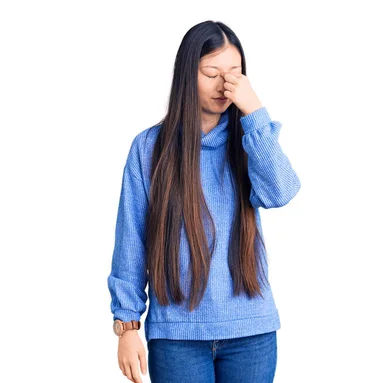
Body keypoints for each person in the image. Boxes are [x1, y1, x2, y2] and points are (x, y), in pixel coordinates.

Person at [107, 20, 301, 383]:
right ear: (187, 74)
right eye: (211, 72)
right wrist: (127, 324)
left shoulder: (250, 142)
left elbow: (282, 192)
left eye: (235, 74)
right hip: (177, 338)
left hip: (251, 335)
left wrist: (255, 111)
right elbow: (131, 239)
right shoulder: (149, 149)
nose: (224, 85)